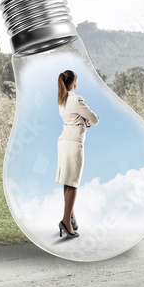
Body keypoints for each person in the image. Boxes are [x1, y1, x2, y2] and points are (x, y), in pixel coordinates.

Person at [56, 70, 99, 238]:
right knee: (73, 183)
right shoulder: (76, 99)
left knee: (67, 181)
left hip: (63, 142)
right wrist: (88, 121)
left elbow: (74, 119)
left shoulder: (62, 100)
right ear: (74, 81)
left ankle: (71, 217)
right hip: (74, 143)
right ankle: (66, 221)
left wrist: (82, 121)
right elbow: (94, 118)